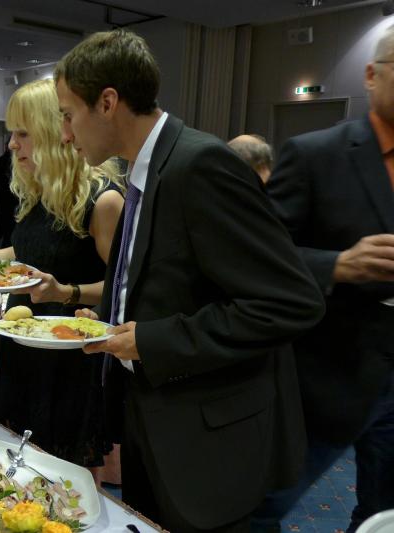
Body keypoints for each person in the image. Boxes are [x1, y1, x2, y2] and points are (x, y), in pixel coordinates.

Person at [55, 30, 325, 531]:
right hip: (153, 421)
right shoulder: (143, 172)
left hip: (209, 446)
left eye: (68, 115)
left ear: (108, 103)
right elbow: (168, 282)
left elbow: (289, 302)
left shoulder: (200, 165)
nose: (66, 134)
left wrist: (152, 341)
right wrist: (110, 320)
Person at [0, 79, 124, 469]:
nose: (11, 145)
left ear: (55, 133)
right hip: (22, 341)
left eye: (22, 133)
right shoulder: (43, 194)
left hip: (68, 353)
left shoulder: (103, 201)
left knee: (64, 468)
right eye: (11, 134)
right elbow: (25, 255)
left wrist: (65, 292)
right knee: (21, 459)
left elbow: (123, 289)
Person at [255, 25, 394, 533]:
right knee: (263, 507)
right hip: (326, 374)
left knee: (383, 515)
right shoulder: (314, 154)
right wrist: (336, 265)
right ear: (371, 75)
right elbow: (259, 255)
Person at [0, 146, 18, 248]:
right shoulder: (15, 163)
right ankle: (3, 252)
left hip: (0, 202)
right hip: (12, 202)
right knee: (9, 232)